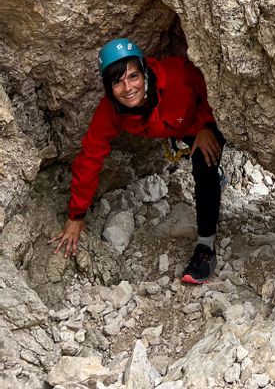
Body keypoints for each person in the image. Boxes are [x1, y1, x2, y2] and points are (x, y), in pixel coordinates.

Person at [50, 38, 225, 284]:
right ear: (108, 88)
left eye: (133, 76)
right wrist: (76, 215)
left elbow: (210, 84)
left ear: (144, 72)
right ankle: (216, 182)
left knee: (204, 164)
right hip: (177, 126)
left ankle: (205, 248)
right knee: (206, 169)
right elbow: (90, 157)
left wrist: (207, 125)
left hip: (205, 119)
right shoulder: (111, 111)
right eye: (117, 81)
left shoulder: (176, 74)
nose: (128, 87)